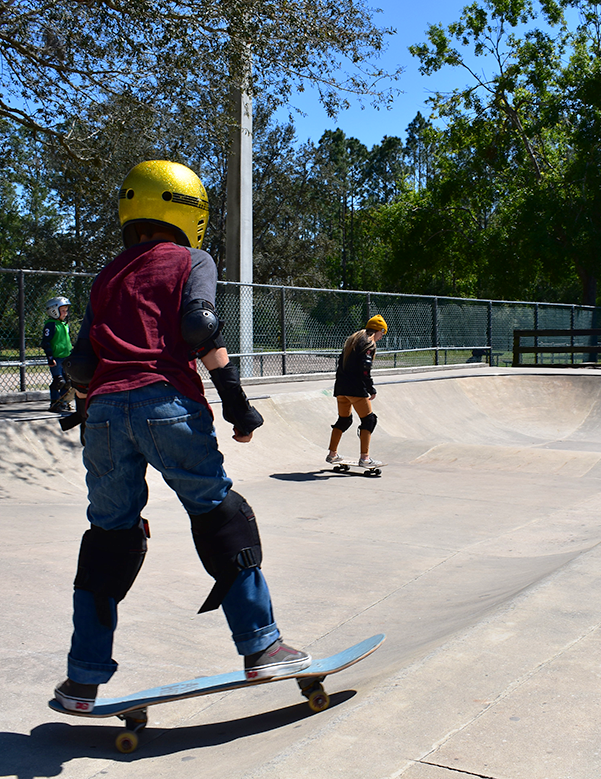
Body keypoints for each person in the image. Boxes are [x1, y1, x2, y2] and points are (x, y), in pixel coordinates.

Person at [52, 160, 310, 713]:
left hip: (103, 412)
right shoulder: (192, 260)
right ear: (188, 210)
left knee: (108, 537)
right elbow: (199, 328)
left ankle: (82, 678)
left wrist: (85, 413)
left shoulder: (105, 276)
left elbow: (79, 365)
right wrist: (237, 404)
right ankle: (261, 646)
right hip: (167, 404)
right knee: (220, 513)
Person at [325, 315, 387, 469]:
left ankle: (332, 455)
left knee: (344, 420)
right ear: (379, 330)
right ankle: (365, 458)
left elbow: (341, 364)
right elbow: (365, 370)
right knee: (369, 420)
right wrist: (370, 388)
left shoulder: (352, 341)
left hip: (341, 388)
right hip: (356, 389)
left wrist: (340, 386)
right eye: (383, 333)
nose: (381, 337)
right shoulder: (369, 344)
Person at [42, 296, 74, 412]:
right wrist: (50, 357)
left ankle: (63, 403)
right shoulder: (51, 325)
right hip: (56, 358)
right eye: (63, 310)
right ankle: (55, 403)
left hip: (66, 358)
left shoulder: (64, 325)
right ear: (54, 311)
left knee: (68, 382)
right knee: (59, 381)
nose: (66, 313)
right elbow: (46, 342)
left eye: (66, 310)